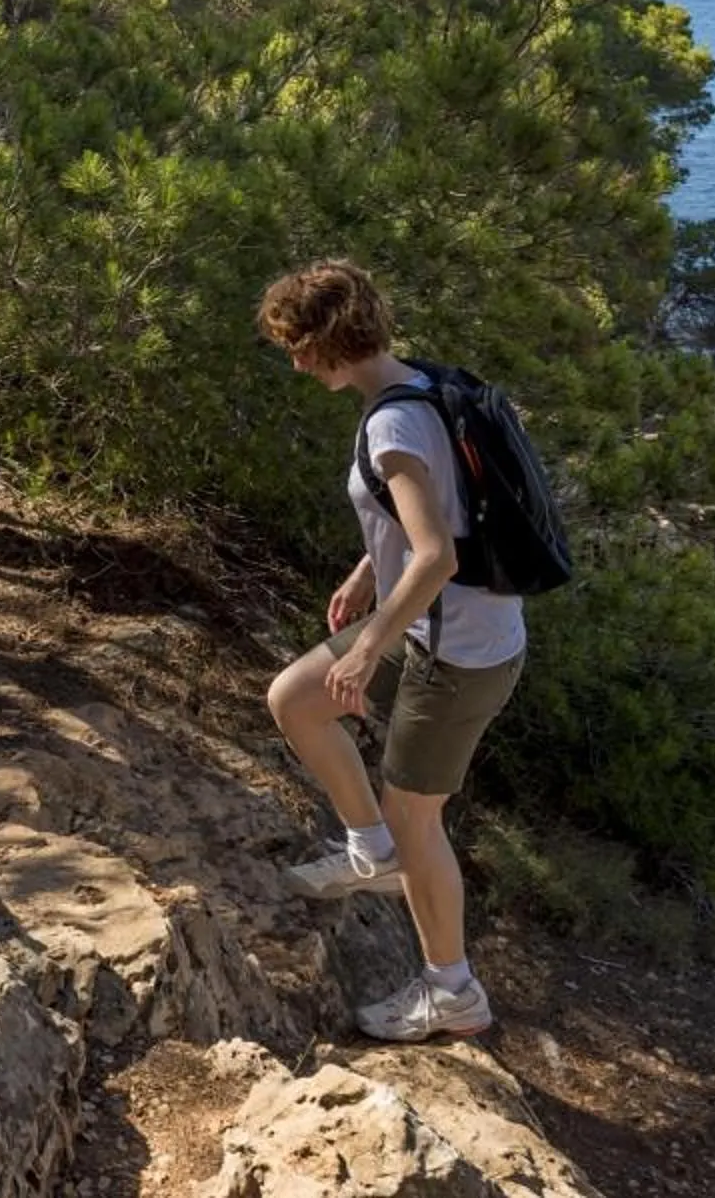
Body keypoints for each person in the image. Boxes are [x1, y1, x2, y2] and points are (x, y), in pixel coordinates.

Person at [257, 258, 526, 1044]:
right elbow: (431, 519)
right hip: (430, 622)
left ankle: (453, 992)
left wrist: (367, 645)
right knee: (295, 699)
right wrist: (367, 575)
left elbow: (437, 552)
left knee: (418, 817)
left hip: (457, 649)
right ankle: (367, 850)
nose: (296, 363)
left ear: (331, 340)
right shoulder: (424, 386)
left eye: (299, 347)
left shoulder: (393, 423)